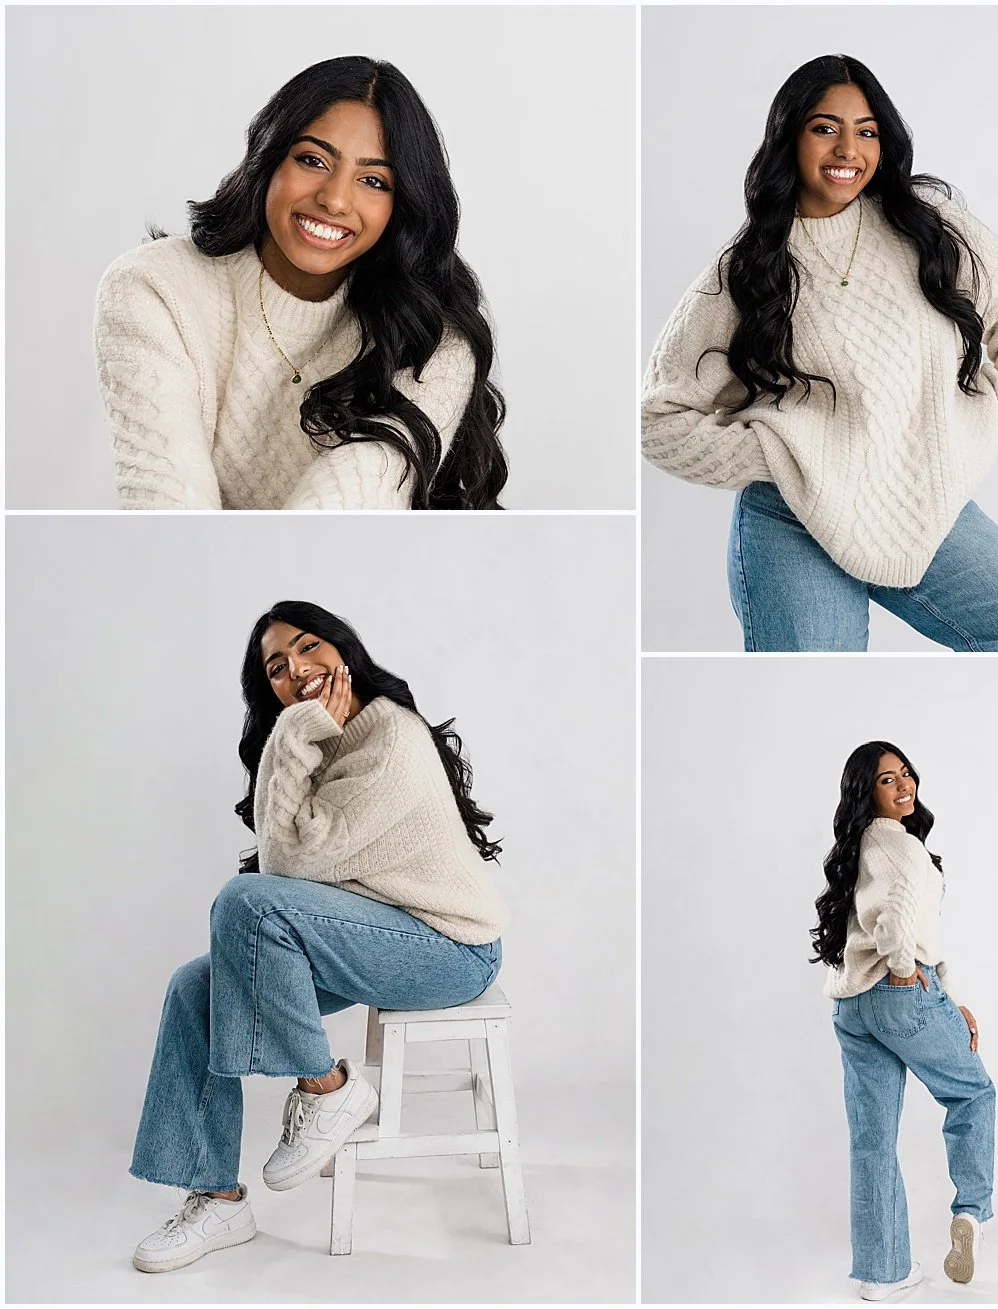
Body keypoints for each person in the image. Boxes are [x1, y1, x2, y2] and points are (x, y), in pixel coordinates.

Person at [642, 54, 998, 651]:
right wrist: (785, 455)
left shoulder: (930, 229)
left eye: (867, 130)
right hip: (793, 519)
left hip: (923, 505)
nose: (848, 149)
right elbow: (657, 420)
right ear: (789, 137)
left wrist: (981, 423)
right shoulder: (745, 270)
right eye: (825, 128)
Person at [129, 601, 509, 1272]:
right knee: (197, 985)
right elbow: (289, 866)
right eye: (277, 667)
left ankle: (327, 1089)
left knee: (246, 902)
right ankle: (217, 1197)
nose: (297, 669)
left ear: (344, 648)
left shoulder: (387, 736)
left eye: (308, 648)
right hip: (373, 936)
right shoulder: (317, 735)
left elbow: (285, 869)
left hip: (449, 948)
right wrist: (297, 731)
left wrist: (293, 732)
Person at [95, 56, 507, 509]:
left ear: (402, 204)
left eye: (373, 180)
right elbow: (165, 505)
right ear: (269, 159)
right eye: (313, 160)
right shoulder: (156, 288)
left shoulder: (430, 336)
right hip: (192, 575)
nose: (334, 199)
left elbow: (345, 509)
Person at [811, 742, 994, 1298]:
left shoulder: (859, 846)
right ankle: (969, 1210)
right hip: (897, 992)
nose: (904, 784)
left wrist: (947, 994)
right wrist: (905, 972)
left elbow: (879, 923)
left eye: (906, 773)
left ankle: (881, 1274)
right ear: (867, 792)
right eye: (887, 779)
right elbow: (897, 922)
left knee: (872, 1139)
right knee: (974, 1094)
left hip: (852, 1005)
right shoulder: (904, 848)